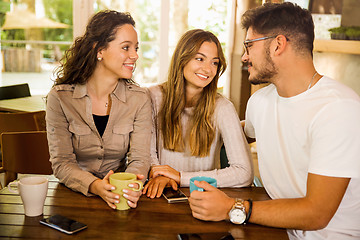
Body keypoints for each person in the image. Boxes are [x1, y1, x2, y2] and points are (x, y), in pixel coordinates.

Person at [188, 3, 360, 240]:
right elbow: (239, 134)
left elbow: (317, 214)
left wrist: (232, 208)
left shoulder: (338, 109)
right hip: (275, 230)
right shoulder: (260, 101)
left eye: (249, 45)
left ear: (278, 44)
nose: (245, 56)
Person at [46, 10, 152, 209]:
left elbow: (140, 158)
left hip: (121, 197)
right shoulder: (60, 98)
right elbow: (61, 163)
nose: (135, 55)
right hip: (73, 197)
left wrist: (132, 185)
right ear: (99, 50)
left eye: (136, 48)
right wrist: (95, 186)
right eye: (126, 47)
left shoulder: (140, 99)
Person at [143, 29, 253, 198]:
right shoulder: (152, 97)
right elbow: (147, 153)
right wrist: (160, 174)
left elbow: (244, 173)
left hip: (204, 198)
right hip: (158, 193)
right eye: (200, 59)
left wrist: (180, 177)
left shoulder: (223, 107)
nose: (208, 69)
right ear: (182, 59)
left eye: (214, 63)